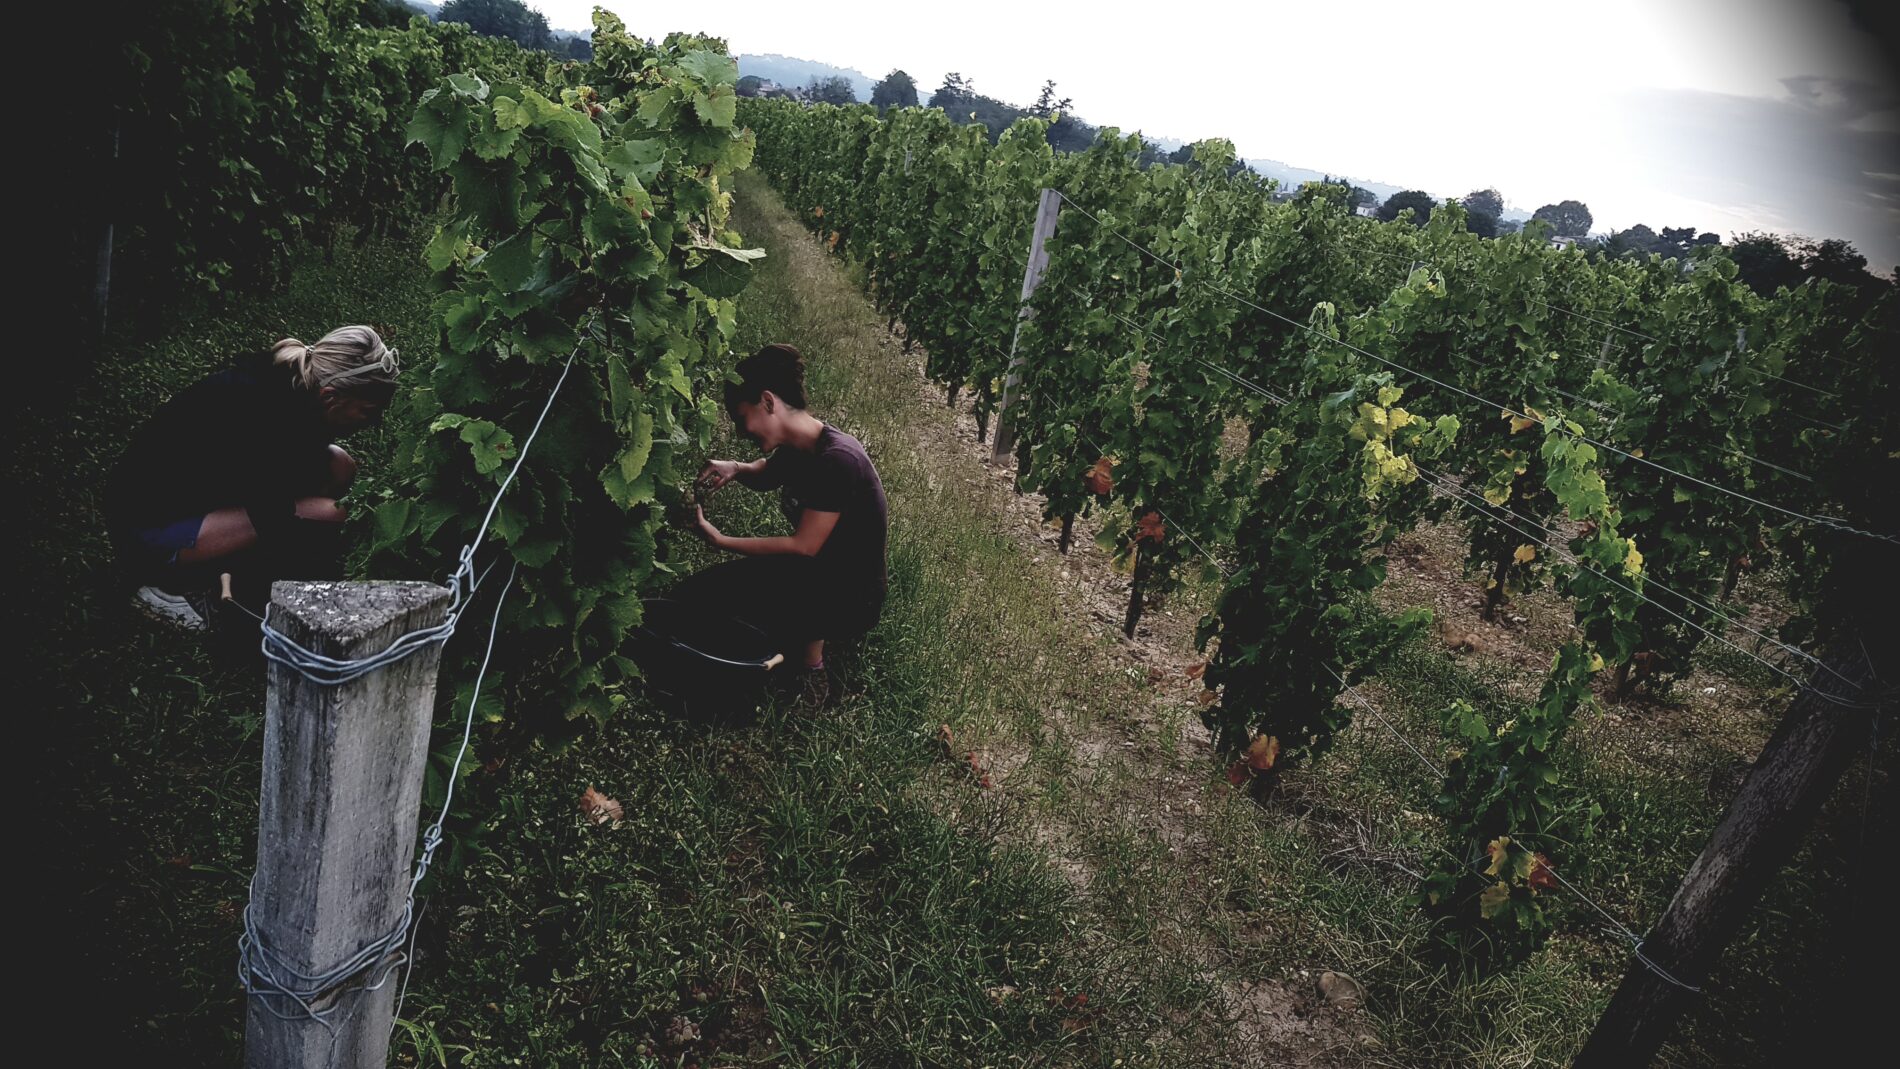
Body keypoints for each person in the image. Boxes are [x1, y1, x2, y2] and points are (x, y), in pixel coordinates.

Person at [105, 325, 401, 635]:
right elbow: (272, 513)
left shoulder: (297, 392)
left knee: (339, 466)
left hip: (201, 497)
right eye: (368, 411)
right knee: (331, 512)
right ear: (331, 397)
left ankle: (232, 568)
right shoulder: (262, 416)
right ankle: (174, 589)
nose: (376, 422)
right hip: (147, 530)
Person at [680, 344, 888, 713]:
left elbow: (803, 546)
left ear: (767, 401)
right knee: (697, 598)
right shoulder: (802, 445)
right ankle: (789, 636)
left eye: (742, 418)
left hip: (848, 594)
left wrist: (720, 540)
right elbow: (769, 473)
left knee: (738, 627)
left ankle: (813, 673)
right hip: (812, 573)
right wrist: (736, 467)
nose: (742, 432)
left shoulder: (837, 460)